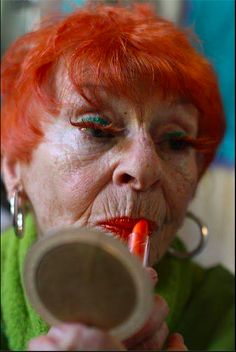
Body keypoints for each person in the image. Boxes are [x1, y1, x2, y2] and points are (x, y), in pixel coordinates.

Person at [1, 2, 234, 351]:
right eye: (97, 129)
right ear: (14, 168)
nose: (142, 169)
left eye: (176, 141)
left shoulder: (225, 312)